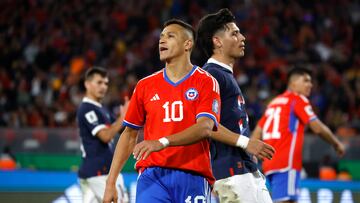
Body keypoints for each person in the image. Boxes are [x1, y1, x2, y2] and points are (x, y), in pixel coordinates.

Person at [196, 8, 274, 203]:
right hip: (231, 172)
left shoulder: (224, 75)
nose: (243, 37)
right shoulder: (211, 75)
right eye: (234, 33)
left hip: (245, 168)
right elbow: (206, 126)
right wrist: (247, 143)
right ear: (217, 41)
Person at [251, 66, 346, 203]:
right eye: (306, 80)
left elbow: (258, 131)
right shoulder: (297, 99)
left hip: (269, 165)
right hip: (286, 164)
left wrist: (252, 154)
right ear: (293, 83)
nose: (310, 85)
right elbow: (317, 128)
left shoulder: (274, 103)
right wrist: (336, 143)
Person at [77, 67, 129, 203]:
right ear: (87, 84)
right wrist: (122, 117)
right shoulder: (87, 108)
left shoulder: (101, 109)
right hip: (99, 173)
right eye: (99, 82)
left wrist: (130, 115)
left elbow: (121, 129)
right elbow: (105, 136)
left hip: (101, 172)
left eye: (106, 83)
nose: (103, 87)